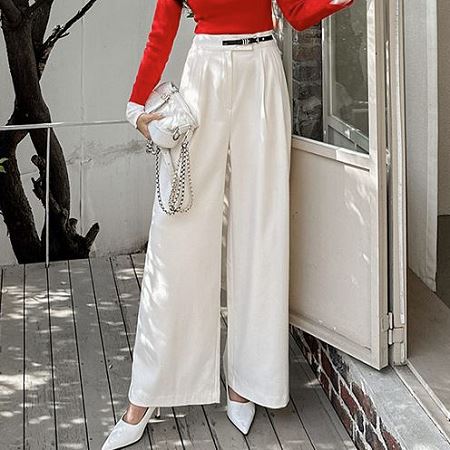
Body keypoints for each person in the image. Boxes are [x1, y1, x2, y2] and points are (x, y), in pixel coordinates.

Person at [102, 0, 353, 448]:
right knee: (177, 231)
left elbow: (294, 10)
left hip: (262, 68)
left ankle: (247, 381)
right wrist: (137, 103)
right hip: (205, 74)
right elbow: (162, 27)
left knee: (262, 228)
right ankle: (147, 394)